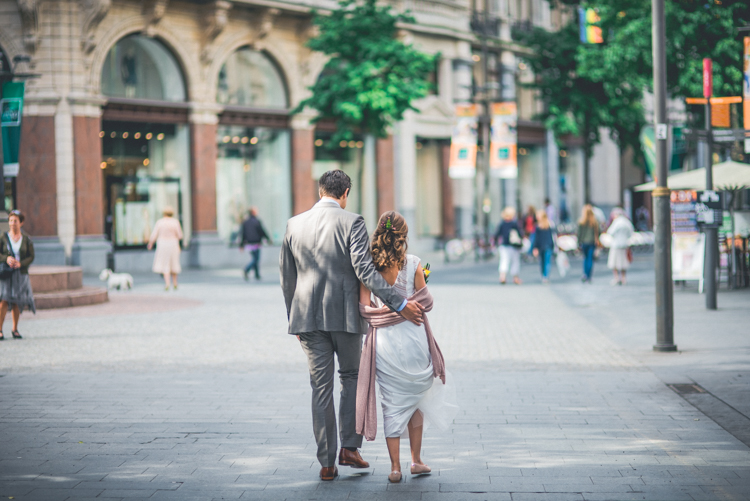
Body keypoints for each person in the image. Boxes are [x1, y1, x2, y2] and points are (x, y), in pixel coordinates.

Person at [280, 170, 424, 481]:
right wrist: (398, 302)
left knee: (320, 387)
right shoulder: (352, 221)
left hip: (307, 317)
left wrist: (294, 317)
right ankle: (349, 448)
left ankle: (327, 464)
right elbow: (365, 271)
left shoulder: (293, 224)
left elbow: (287, 278)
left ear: (321, 192)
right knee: (350, 378)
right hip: (345, 316)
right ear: (345, 193)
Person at [356, 211, 458, 483]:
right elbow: (426, 301)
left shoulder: (368, 266)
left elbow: (364, 309)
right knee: (416, 402)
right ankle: (416, 460)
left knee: (391, 403)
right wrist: (419, 281)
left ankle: (395, 468)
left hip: (384, 343)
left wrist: (387, 314)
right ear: (403, 235)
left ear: (379, 232)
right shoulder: (415, 263)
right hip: (413, 339)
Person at [0, 210, 36, 340]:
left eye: (15, 221)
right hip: (6, 273)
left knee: (16, 301)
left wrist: (21, 264)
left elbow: (31, 256)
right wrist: (6, 259)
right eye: (10, 221)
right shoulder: (3, 237)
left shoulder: (26, 239)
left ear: (21, 223)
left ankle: (15, 329)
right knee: (3, 301)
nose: (12, 224)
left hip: (20, 274)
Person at [147, 207, 183, 291]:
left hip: (163, 244)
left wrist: (150, 244)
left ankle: (167, 283)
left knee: (165, 264)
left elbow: (154, 234)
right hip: (173, 244)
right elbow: (180, 235)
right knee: (174, 263)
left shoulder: (160, 222)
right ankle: (175, 283)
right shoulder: (175, 222)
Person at [240, 207, 271, 281]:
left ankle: (257, 274)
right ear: (253, 212)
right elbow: (262, 231)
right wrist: (267, 239)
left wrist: (241, 245)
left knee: (255, 258)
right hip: (256, 243)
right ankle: (247, 269)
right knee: (256, 259)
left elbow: (243, 234)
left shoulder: (245, 222)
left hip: (249, 243)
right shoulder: (257, 221)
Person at [494, 207, 523, 285]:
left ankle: (502, 277)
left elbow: (497, 234)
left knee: (504, 261)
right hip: (513, 245)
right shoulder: (514, 224)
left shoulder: (502, 223)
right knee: (515, 261)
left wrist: (495, 243)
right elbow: (520, 234)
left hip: (503, 245)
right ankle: (515, 278)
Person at [606, 208, 635, 285]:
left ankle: (616, 278)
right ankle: (623, 278)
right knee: (623, 262)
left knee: (614, 262)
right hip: (624, 244)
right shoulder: (627, 222)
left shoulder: (616, 222)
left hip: (616, 244)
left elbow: (610, 232)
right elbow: (631, 232)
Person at [576, 204, 600, 283]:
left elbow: (579, 234)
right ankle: (589, 276)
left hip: (584, 242)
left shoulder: (581, 221)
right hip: (592, 242)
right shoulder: (594, 221)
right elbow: (598, 231)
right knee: (590, 259)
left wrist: (578, 243)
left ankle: (585, 274)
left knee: (585, 258)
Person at [532, 210, 557, 284]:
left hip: (543, 246)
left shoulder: (542, 225)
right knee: (546, 262)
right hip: (547, 245)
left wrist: (535, 247)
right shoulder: (549, 224)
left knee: (544, 262)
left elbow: (536, 238)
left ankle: (544, 275)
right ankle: (545, 276)